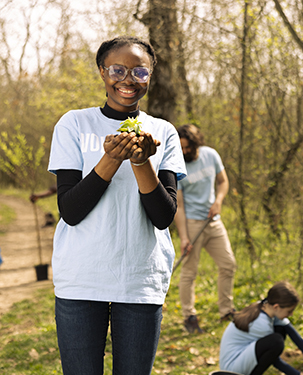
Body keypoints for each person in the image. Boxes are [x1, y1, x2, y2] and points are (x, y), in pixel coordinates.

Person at [47, 35, 186, 375]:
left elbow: (163, 217)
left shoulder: (162, 132)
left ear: (149, 76)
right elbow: (71, 210)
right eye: (118, 70)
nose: (128, 80)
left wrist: (141, 162)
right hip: (81, 277)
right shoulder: (74, 124)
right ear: (102, 72)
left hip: (140, 279)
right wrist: (110, 159)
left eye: (140, 72)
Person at [174, 124, 236, 333]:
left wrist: (218, 200)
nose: (183, 152)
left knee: (228, 264)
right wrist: (184, 237)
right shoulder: (177, 166)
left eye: (187, 148)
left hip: (214, 221)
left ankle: (226, 311)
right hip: (192, 223)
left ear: (196, 144)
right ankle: (189, 317)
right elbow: (179, 205)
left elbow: (223, 182)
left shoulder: (211, 155)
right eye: (180, 148)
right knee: (189, 272)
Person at [219, 281, 303, 375]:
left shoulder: (265, 306)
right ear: (277, 307)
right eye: (289, 311)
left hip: (236, 359)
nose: (291, 314)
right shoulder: (262, 324)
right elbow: (275, 360)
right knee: (276, 341)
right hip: (232, 370)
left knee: (281, 330)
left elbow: (290, 330)